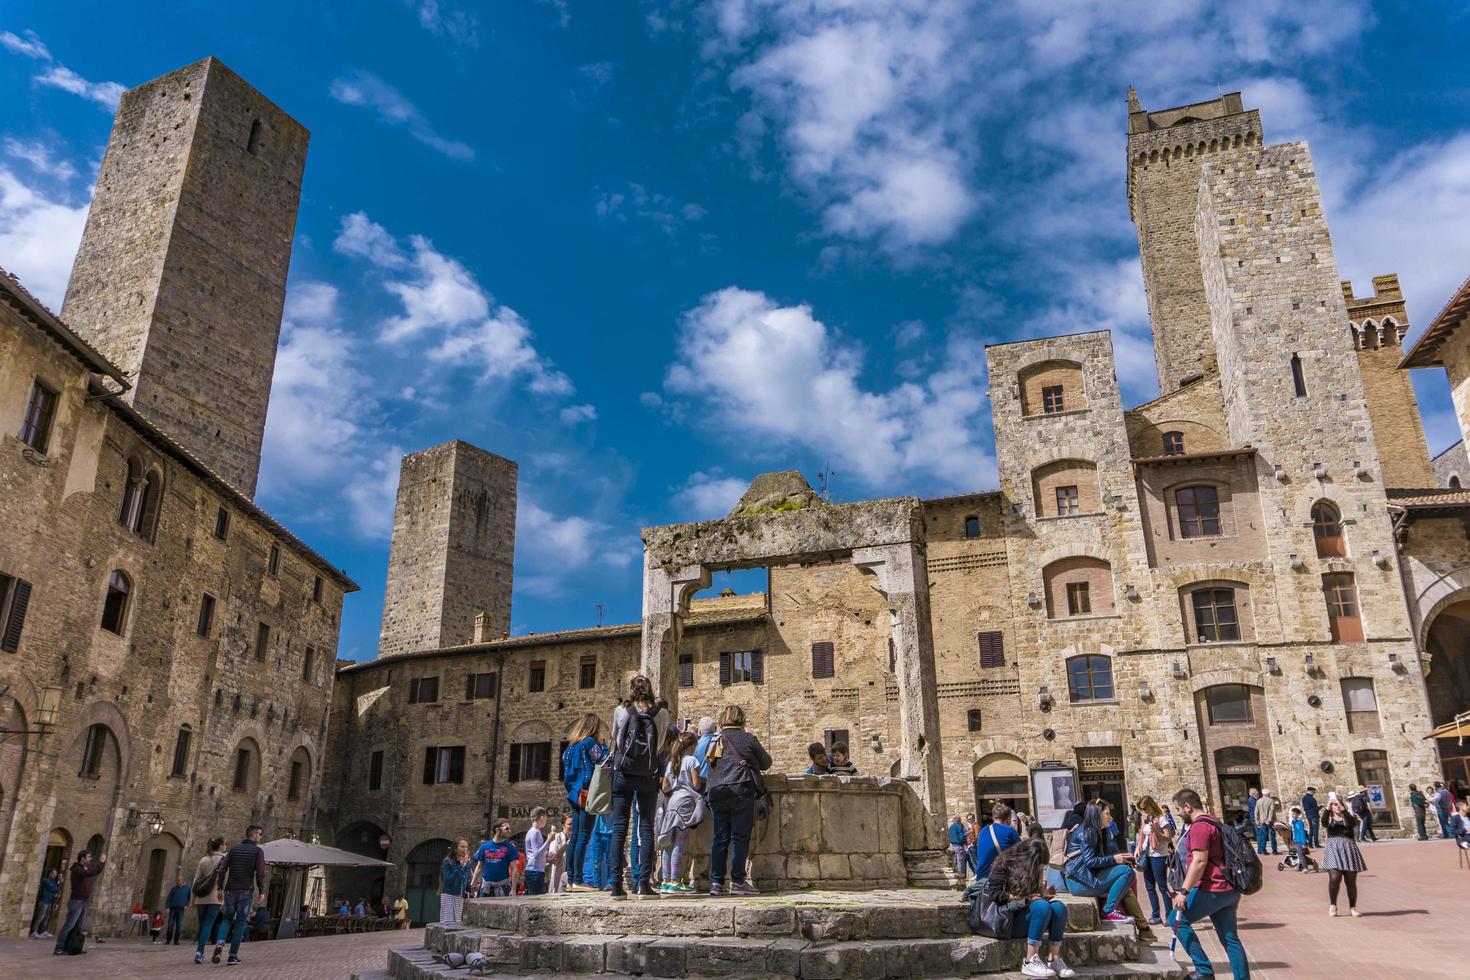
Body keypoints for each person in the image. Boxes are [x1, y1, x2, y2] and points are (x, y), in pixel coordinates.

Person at [1170, 788, 1249, 980]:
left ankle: (1203, 970)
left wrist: (1184, 891)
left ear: (1187, 807)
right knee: (1230, 939)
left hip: (1212, 888)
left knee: (1176, 920)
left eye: (1178, 809)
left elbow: (1199, 861)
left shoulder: (1199, 827)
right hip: (1230, 888)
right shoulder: (1214, 821)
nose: (1178, 814)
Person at [607, 675, 668, 900]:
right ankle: (643, 884)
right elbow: (660, 744)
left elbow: (615, 738)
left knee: (620, 826)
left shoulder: (620, 711)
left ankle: (616, 886)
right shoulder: (661, 713)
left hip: (623, 772)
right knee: (646, 826)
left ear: (631, 690)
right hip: (647, 775)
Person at [984, 838, 1077, 979]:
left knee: (1059, 907)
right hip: (1008, 920)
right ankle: (1030, 960)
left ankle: (1053, 958)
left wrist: (1042, 894)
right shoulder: (1003, 864)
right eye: (1038, 865)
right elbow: (995, 895)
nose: (1039, 869)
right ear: (1027, 859)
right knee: (1041, 906)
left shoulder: (1032, 869)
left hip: (1026, 914)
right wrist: (1024, 898)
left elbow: (1030, 898)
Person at [705, 703, 771, 896]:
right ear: (741, 719)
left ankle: (716, 883)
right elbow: (766, 763)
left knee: (719, 838)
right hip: (740, 788)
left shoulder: (715, 740)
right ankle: (738, 881)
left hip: (716, 790)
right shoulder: (748, 738)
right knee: (739, 837)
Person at [1062, 802, 1135, 922]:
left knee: (1125, 871)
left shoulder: (1094, 830)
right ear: (1097, 814)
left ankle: (1114, 910)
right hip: (1080, 883)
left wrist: (1120, 859)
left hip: (1083, 879)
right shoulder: (1087, 832)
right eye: (1107, 814)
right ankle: (1109, 910)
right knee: (1126, 872)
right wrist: (1114, 859)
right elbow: (1090, 861)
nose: (1110, 817)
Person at [561, 713, 607, 892]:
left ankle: (571, 879)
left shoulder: (570, 748)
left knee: (575, 837)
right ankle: (579, 880)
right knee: (583, 836)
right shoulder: (589, 743)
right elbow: (602, 761)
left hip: (573, 793)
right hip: (586, 793)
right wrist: (603, 746)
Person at [659, 730, 703, 893]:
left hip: (672, 802)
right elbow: (696, 784)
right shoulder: (692, 761)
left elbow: (664, 787)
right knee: (680, 841)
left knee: (668, 843)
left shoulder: (671, 762)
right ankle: (675, 881)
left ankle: (666, 881)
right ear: (691, 746)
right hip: (685, 802)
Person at [221, 825, 267, 967]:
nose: (260, 836)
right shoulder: (257, 851)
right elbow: (260, 873)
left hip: (230, 890)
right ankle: (232, 956)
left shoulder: (233, 849)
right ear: (253, 834)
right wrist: (261, 890)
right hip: (245, 890)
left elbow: (222, 869)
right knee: (241, 922)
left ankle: (219, 943)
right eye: (260, 834)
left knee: (226, 919)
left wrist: (218, 888)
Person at [53, 848, 105, 956]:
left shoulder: (84, 868)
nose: (90, 859)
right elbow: (92, 872)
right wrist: (101, 862)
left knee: (79, 926)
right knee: (69, 925)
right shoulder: (77, 869)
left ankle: (74, 947)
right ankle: (59, 947)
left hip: (83, 901)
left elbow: (92, 872)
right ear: (83, 858)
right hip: (76, 901)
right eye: (89, 857)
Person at [1321, 794, 1366, 917]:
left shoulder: (1348, 817)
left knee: (1350, 881)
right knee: (1334, 878)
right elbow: (1323, 822)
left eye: (1337, 804)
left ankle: (1353, 907)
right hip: (1333, 849)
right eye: (1334, 805)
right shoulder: (1329, 818)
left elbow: (1353, 823)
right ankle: (1333, 905)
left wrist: (1342, 808)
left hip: (1348, 848)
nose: (1335, 807)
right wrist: (1327, 808)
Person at [1133, 796, 1173, 925]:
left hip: (1159, 855)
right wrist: (1138, 848)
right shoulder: (1146, 819)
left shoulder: (1162, 819)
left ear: (1151, 806)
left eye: (1145, 809)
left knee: (1162, 886)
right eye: (1142, 809)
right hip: (1147, 855)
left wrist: (1157, 832)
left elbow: (1168, 838)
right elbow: (1142, 834)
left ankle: (1169, 915)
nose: (1144, 812)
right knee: (1149, 887)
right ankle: (1156, 915)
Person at [192, 836, 229, 964]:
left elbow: (196, 880)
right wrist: (222, 893)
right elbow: (224, 880)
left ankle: (199, 951)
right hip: (215, 896)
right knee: (208, 924)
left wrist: (193, 897)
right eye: (225, 844)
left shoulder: (204, 859)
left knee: (203, 925)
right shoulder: (224, 860)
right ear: (220, 846)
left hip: (201, 897)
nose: (226, 846)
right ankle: (199, 952)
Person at [973, 803, 1020, 883]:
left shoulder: (983, 832)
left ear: (994, 817)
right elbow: (1021, 854)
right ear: (1008, 819)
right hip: (1000, 879)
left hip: (982, 879)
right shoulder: (1010, 831)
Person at [472, 822, 521, 897]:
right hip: (486, 887)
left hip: (503, 887)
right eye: (507, 829)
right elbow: (479, 867)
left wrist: (513, 890)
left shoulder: (510, 848)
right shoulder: (484, 846)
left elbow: (514, 869)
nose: (509, 831)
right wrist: (473, 884)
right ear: (497, 830)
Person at [440, 839, 472, 925]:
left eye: (466, 847)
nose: (465, 849)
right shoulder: (448, 861)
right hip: (449, 895)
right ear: (455, 849)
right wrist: (460, 866)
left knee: (457, 923)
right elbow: (449, 880)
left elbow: (465, 879)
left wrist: (471, 888)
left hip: (460, 897)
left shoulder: (467, 863)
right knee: (448, 923)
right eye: (462, 846)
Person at [523, 807, 551, 895]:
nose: (546, 821)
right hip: (535, 872)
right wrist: (549, 841)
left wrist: (547, 859)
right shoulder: (536, 832)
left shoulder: (531, 832)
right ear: (542, 818)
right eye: (546, 818)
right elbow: (536, 854)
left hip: (533, 871)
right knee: (536, 901)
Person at [29, 868, 61, 938]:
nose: (55, 875)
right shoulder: (45, 880)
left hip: (49, 901)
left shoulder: (53, 882)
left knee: (46, 917)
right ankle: (34, 931)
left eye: (56, 874)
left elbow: (57, 889)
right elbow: (53, 888)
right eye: (54, 873)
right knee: (40, 916)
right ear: (50, 874)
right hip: (44, 900)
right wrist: (55, 888)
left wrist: (55, 888)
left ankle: (43, 931)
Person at [164, 872, 190, 944]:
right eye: (177, 880)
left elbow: (188, 898)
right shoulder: (173, 889)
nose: (177, 882)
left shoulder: (187, 889)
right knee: (170, 924)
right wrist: (167, 907)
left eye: (179, 880)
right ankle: (168, 939)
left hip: (181, 909)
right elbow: (168, 899)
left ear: (182, 881)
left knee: (179, 925)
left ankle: (176, 940)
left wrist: (187, 905)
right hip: (173, 908)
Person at [547, 815, 570, 893]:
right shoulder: (557, 837)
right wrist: (567, 844)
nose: (572, 826)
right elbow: (553, 859)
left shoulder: (580, 839)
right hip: (559, 877)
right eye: (569, 824)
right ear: (563, 825)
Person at [1254, 789, 1279, 855]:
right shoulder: (1271, 801)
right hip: (1270, 821)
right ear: (1268, 794)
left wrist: (1257, 821)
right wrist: (1269, 819)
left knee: (1263, 836)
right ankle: (1274, 850)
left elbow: (1256, 812)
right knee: (1272, 836)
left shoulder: (1258, 801)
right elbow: (1271, 811)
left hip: (1262, 820)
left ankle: (1263, 850)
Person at [1289, 806, 1312, 874]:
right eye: (1292, 814)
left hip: (1300, 841)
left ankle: (1305, 868)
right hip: (1296, 840)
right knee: (1299, 854)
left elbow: (1302, 833)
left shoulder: (1299, 822)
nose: (1293, 815)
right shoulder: (1294, 822)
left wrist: (1303, 843)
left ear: (1298, 814)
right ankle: (1300, 865)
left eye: (1294, 814)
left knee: (1301, 855)